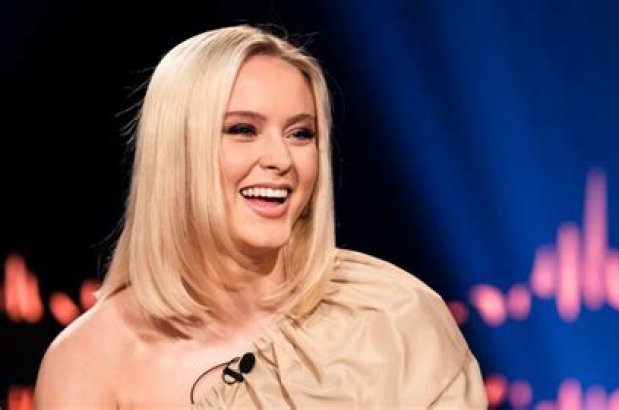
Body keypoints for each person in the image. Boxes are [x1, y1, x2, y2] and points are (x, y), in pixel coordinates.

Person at [34, 24, 488, 408]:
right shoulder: (88, 362)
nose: (281, 159)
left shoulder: (394, 316)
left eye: (300, 133)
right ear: (176, 151)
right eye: (243, 130)